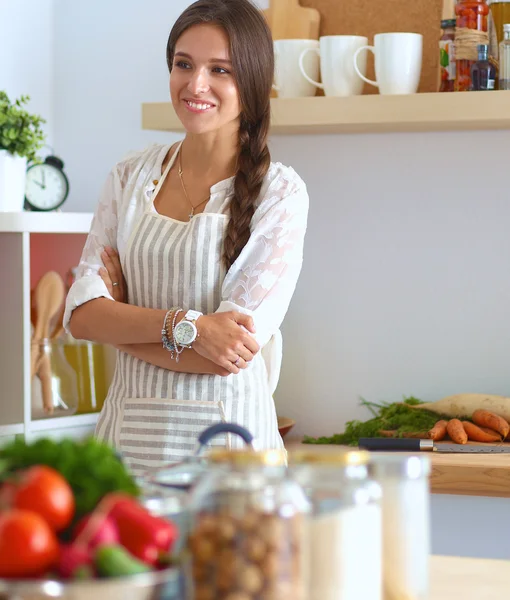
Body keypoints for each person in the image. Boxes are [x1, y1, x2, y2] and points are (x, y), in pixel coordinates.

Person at [63, 0, 309, 475]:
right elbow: (81, 316)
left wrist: (121, 323)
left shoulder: (279, 193)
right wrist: (192, 328)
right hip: (124, 455)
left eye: (220, 69)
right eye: (183, 64)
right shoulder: (128, 177)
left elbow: (228, 354)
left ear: (252, 82)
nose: (196, 84)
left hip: (231, 462)